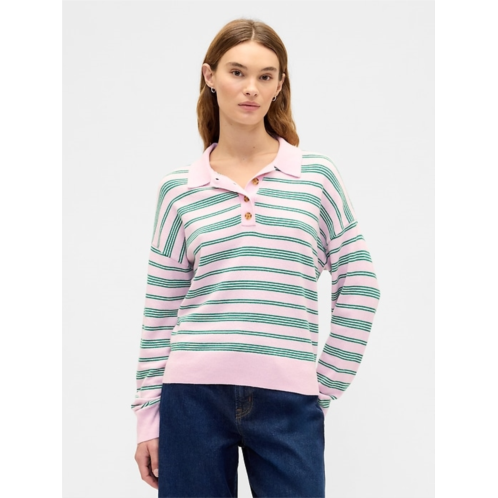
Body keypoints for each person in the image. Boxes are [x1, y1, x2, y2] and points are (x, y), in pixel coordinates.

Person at [132, 18, 380, 498]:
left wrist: (322, 385)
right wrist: (148, 417)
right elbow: (160, 310)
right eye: (237, 72)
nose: (251, 88)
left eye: (266, 76)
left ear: (279, 85)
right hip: (191, 400)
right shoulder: (179, 190)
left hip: (290, 401)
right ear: (210, 76)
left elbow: (361, 285)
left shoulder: (316, 178)